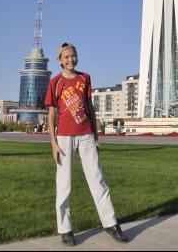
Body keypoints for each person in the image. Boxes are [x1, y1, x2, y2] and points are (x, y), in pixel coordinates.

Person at [45, 42, 128, 247]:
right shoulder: (55, 83)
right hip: (64, 137)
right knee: (63, 184)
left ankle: (111, 224)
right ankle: (65, 229)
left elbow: (90, 108)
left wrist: (95, 134)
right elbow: (51, 115)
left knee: (98, 180)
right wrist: (53, 143)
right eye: (66, 57)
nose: (70, 59)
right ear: (59, 60)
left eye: (73, 55)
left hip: (86, 136)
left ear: (77, 57)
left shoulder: (85, 78)